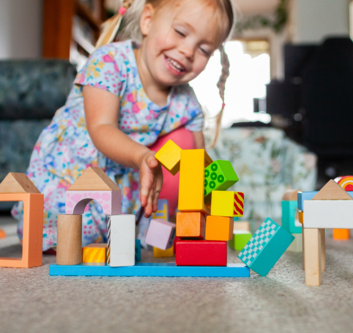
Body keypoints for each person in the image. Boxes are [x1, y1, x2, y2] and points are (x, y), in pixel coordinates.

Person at [12, 0, 234, 250]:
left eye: (204, 49)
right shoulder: (109, 61)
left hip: (125, 182)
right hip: (72, 171)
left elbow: (197, 166)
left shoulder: (187, 102)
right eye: (180, 32)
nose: (187, 51)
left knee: (185, 144)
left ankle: (158, 228)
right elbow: (102, 128)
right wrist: (142, 156)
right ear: (147, 20)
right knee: (65, 239)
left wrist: (211, 205)